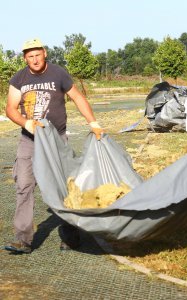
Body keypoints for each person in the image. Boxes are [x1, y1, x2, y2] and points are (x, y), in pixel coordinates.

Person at [5, 38, 104, 254]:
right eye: (30, 56)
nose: (34, 59)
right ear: (25, 58)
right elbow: (11, 109)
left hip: (56, 140)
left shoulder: (58, 73)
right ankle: (23, 240)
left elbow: (77, 97)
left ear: (44, 53)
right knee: (23, 186)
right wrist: (26, 123)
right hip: (29, 140)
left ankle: (71, 237)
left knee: (62, 186)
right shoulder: (19, 78)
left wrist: (93, 122)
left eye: (37, 54)